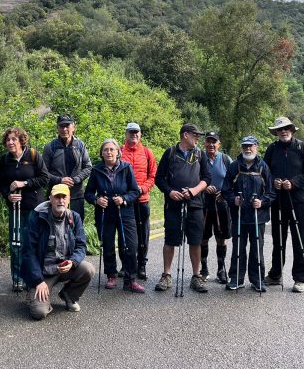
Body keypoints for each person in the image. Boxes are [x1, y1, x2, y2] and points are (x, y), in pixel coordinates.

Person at [21, 185, 96, 320]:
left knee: (88, 269)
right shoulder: (37, 218)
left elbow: (81, 246)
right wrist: (38, 281)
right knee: (39, 313)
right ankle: (36, 295)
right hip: (43, 272)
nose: (61, 200)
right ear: (50, 199)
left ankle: (68, 295)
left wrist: (72, 262)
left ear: (69, 200)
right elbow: (28, 252)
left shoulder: (74, 217)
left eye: (64, 197)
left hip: (65, 267)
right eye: (57, 197)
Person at [154, 123, 212, 294]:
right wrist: (170, 192)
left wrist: (194, 190)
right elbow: (159, 178)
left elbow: (207, 178)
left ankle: (196, 276)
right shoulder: (170, 152)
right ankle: (166, 275)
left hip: (195, 204)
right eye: (195, 135)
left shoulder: (200, 154)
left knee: (195, 240)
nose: (198, 138)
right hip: (173, 204)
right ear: (185, 135)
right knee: (170, 240)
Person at [263, 116, 304, 293]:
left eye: (286, 128)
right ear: (276, 132)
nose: (283, 131)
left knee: (299, 239)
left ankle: (300, 278)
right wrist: (273, 182)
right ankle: (275, 274)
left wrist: (293, 183)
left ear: (292, 130)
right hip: (278, 200)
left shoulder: (303, 147)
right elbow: (265, 172)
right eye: (280, 129)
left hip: (299, 200)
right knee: (278, 238)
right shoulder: (272, 149)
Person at [85, 139, 144, 293]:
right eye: (106, 150)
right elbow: (88, 193)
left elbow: (135, 191)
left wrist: (124, 199)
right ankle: (111, 275)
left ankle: (130, 279)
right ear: (102, 153)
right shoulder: (96, 170)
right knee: (108, 245)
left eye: (112, 149)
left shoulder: (126, 168)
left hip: (125, 212)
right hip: (105, 213)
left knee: (130, 246)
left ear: (118, 152)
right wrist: (96, 200)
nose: (109, 152)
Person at [0, 126, 50, 292]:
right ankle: (17, 279)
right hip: (15, 209)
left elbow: (44, 178)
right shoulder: (4, 160)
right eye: (8, 140)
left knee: (34, 243)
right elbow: (1, 184)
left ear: (21, 140)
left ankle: (34, 278)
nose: (10, 142)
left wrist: (25, 183)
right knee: (16, 244)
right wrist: (8, 195)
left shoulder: (33, 155)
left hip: (35, 208)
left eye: (14, 139)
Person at [222, 136, 274, 291]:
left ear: (256, 147)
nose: (247, 149)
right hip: (239, 216)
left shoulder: (263, 167)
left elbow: (271, 192)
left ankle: (257, 280)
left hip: (258, 217)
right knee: (238, 248)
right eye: (245, 146)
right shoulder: (234, 166)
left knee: (257, 249)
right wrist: (233, 199)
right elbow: (226, 189)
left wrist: (262, 202)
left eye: (250, 146)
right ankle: (236, 279)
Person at [120, 122, 157, 281]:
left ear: (140, 134)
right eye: (131, 132)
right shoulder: (119, 151)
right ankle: (125, 265)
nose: (134, 135)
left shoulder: (147, 153)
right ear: (126, 134)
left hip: (142, 200)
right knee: (124, 235)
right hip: (125, 201)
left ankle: (141, 265)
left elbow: (153, 175)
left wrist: (143, 188)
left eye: (136, 132)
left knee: (143, 235)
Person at [42, 114, 93, 222]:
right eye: (61, 126)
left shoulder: (80, 145)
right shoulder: (50, 147)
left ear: (73, 127)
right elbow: (43, 172)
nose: (64, 129)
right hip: (57, 196)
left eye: (67, 126)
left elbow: (88, 167)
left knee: (76, 226)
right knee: (55, 226)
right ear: (57, 128)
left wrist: (76, 179)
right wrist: (60, 180)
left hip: (76, 195)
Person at [200, 131, 232, 284]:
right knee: (203, 237)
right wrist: (204, 187)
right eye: (208, 141)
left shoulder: (226, 159)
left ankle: (221, 269)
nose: (211, 144)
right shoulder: (199, 158)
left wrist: (225, 192)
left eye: (214, 142)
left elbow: (234, 179)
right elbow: (194, 177)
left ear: (219, 144)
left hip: (221, 203)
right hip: (203, 203)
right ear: (204, 143)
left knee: (221, 237)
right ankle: (204, 269)